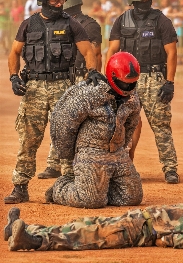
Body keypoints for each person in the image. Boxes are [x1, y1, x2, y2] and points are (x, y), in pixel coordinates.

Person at [4, 0, 103, 204]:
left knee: (66, 138)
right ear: (42, 2)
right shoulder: (29, 24)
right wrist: (13, 76)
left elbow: (88, 51)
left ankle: (69, 186)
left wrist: (92, 72)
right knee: (28, 139)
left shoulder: (71, 24)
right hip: (34, 89)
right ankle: (20, 187)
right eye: (54, 0)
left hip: (61, 86)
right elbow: (14, 52)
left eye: (62, 0)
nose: (59, 3)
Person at [45, 51, 143, 208]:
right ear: (112, 76)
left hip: (117, 152)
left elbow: (131, 124)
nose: (129, 86)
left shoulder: (132, 98)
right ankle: (61, 188)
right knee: (91, 202)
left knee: (132, 198)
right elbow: (63, 123)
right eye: (125, 82)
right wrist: (68, 155)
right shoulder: (89, 93)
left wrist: (121, 147)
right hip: (91, 152)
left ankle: (97, 190)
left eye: (132, 82)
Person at [105, 0, 179, 184]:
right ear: (132, 2)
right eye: (140, 1)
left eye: (147, 0)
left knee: (161, 125)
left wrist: (169, 82)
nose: (144, 4)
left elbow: (171, 52)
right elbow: (112, 50)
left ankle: (170, 169)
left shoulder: (161, 21)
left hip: (155, 78)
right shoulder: (122, 20)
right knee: (127, 126)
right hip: (128, 81)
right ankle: (126, 166)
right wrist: (109, 79)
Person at [37, 0, 102, 179]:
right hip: (74, 77)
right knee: (64, 121)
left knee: (66, 122)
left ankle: (61, 166)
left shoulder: (82, 25)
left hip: (78, 77)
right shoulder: (85, 24)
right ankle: (58, 164)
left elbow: (95, 53)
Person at [5, 203, 183, 251]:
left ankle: (32, 241)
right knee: (79, 224)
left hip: (139, 232)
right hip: (135, 218)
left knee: (85, 235)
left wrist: (164, 239)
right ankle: (27, 229)